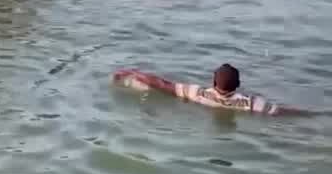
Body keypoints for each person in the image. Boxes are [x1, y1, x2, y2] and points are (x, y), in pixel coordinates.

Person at [113, 65, 307, 116]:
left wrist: (133, 73)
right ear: (238, 85)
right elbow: (283, 112)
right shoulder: (251, 104)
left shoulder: (198, 94)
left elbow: (162, 84)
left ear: (213, 82)